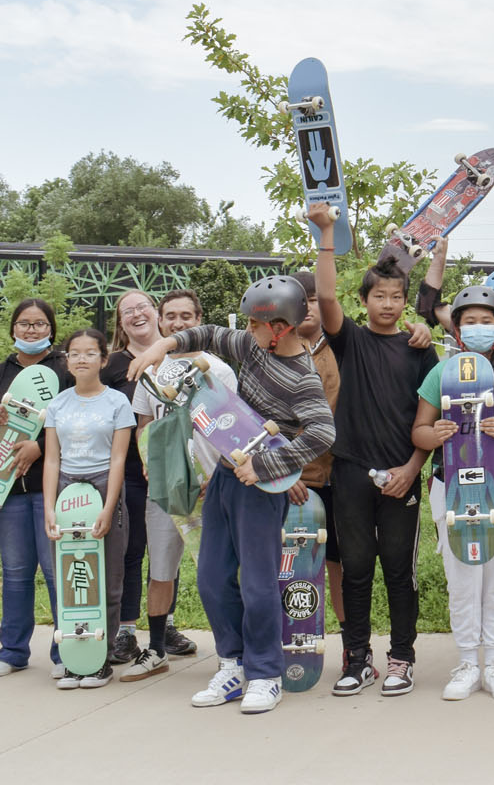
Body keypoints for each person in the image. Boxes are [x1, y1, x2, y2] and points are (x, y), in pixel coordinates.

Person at [125, 274, 334, 714]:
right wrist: (163, 345)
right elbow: (210, 334)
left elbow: (322, 433)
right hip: (222, 474)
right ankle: (233, 664)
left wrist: (264, 465)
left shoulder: (302, 377)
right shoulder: (254, 347)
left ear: (281, 326)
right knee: (212, 577)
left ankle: (265, 674)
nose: (249, 331)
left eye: (256, 324)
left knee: (258, 583)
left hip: (259, 486)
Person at [309, 202, 438, 698]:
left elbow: (430, 421)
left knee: (399, 573)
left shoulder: (420, 348)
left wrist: (412, 467)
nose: (388, 303)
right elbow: (323, 295)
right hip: (351, 473)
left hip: (403, 474)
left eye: (396, 296)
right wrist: (326, 233)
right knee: (357, 568)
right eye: (378, 296)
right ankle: (357, 658)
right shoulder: (351, 342)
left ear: (405, 301)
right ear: (363, 301)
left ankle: (402, 658)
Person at [412, 286, 494, 700]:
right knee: (462, 575)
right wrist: (434, 435)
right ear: (456, 328)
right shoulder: (442, 371)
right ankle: (468, 661)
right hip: (453, 481)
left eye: (486, 320)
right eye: (469, 321)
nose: (477, 328)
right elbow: (418, 431)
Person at [121, 289, 228, 681]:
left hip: (210, 489)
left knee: (215, 572)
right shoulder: (151, 369)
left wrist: (217, 476)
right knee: (161, 570)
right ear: (161, 322)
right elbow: (144, 426)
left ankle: (231, 652)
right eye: (171, 316)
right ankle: (156, 649)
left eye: (187, 316)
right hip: (164, 489)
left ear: (200, 318)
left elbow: (233, 428)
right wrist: (153, 465)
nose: (179, 323)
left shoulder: (217, 368)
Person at [0, 298, 69, 679]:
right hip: (4, 492)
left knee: (57, 571)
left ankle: (65, 652)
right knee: (15, 571)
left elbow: (78, 421)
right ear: (13, 329)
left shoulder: (65, 370)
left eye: (40, 324)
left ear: (51, 330)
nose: (31, 330)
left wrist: (41, 445)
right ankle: (12, 651)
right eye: (24, 324)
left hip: (49, 488)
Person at [44, 327, 134, 689]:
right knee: (69, 579)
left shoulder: (117, 403)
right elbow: (52, 460)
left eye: (89, 353)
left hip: (103, 486)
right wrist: (49, 509)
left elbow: (118, 460)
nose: (81, 359)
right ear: (67, 359)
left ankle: (100, 658)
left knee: (107, 579)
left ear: (103, 359)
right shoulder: (57, 404)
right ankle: (74, 659)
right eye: (74, 353)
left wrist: (108, 509)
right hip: (66, 490)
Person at [102, 289, 162, 666]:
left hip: (177, 470)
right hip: (129, 473)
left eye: (143, 307)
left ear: (156, 312)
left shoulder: (180, 355)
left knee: (167, 552)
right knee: (131, 550)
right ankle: (126, 629)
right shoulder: (110, 365)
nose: (137, 314)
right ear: (121, 324)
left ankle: (164, 625)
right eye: (128, 312)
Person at [290, 270, 346, 637]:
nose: (307, 306)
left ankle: (353, 648)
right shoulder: (269, 352)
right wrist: (284, 473)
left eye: (313, 298)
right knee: (292, 566)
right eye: (299, 300)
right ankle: (292, 641)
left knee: (341, 565)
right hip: (294, 481)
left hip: (340, 476)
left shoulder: (345, 347)